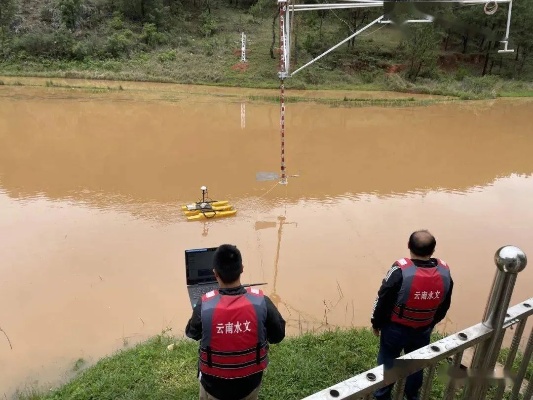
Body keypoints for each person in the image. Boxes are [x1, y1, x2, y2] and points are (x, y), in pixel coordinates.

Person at [185, 244, 286, 400]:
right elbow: (278, 336)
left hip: (213, 387)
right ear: (242, 269)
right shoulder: (261, 302)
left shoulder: (204, 305)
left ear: (215, 274)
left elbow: (192, 333)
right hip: (250, 384)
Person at [371, 230, 453, 400]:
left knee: (388, 362)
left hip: (395, 329)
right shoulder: (445, 272)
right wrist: (430, 322)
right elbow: (445, 304)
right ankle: (412, 395)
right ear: (433, 249)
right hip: (423, 328)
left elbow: (383, 299)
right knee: (415, 364)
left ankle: (382, 395)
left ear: (408, 246)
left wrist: (376, 323)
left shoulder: (400, 271)